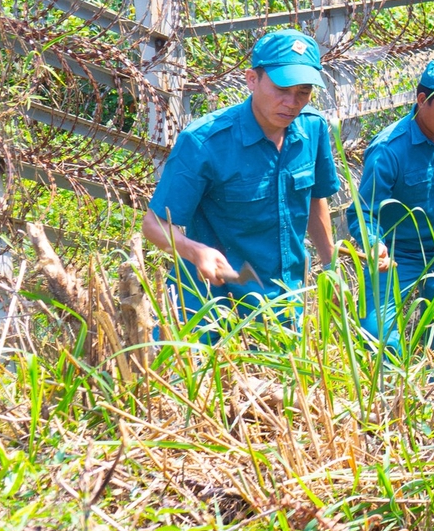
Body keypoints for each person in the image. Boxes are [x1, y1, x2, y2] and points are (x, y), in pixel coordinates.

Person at [143, 28, 341, 327]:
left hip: (283, 300)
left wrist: (331, 264)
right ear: (252, 79)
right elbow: (154, 225)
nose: (292, 103)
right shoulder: (205, 141)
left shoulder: (312, 128)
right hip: (208, 304)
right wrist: (195, 251)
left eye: (303, 92)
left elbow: (315, 198)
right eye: (282, 90)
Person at [347, 59, 434, 353]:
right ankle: (390, 395)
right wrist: (374, 245)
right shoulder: (389, 150)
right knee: (378, 340)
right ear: (422, 100)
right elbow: (362, 213)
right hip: (399, 254)